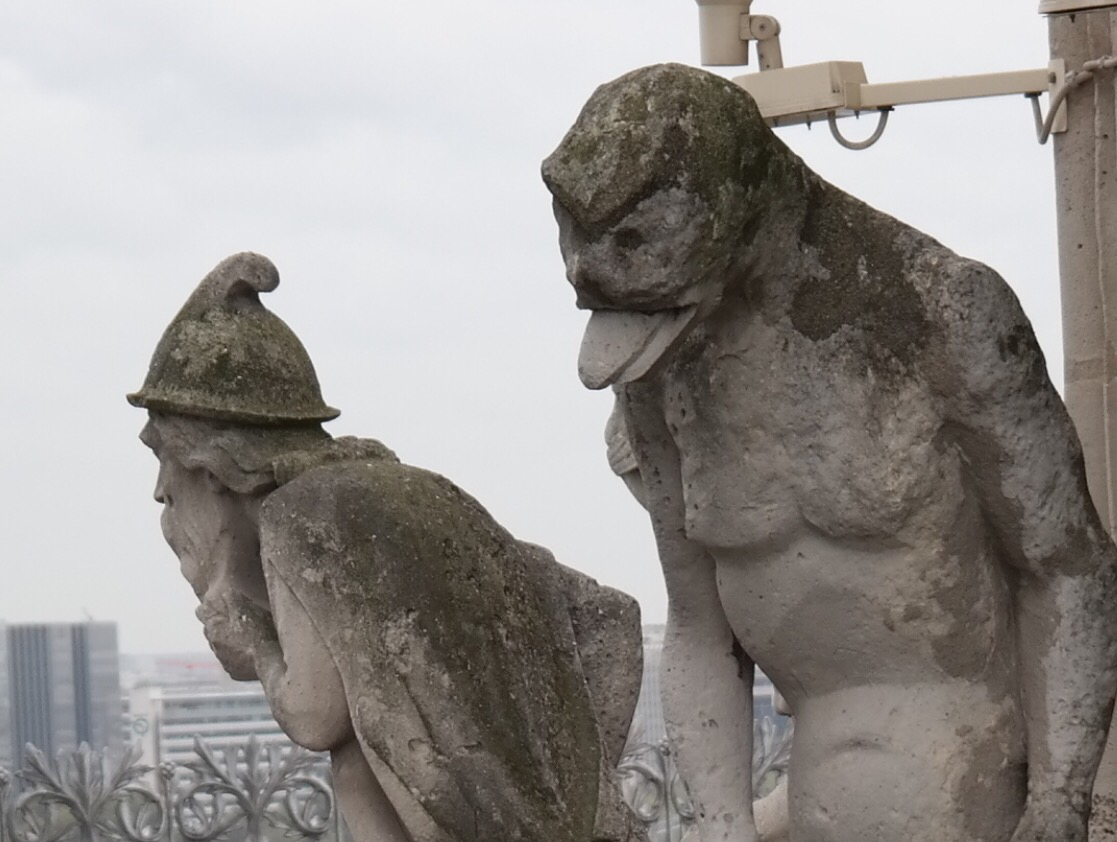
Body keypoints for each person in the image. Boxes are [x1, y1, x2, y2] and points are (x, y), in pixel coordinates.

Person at [543, 63, 1117, 842]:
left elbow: (1067, 566)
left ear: (735, 210)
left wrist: (1058, 801)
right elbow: (698, 624)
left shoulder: (939, 313)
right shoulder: (662, 358)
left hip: (967, 784)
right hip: (809, 787)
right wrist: (721, 827)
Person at [129, 251, 646, 842]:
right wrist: (580, 790)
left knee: (350, 753)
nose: (160, 490)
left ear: (208, 463)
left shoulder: (299, 516)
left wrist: (256, 646)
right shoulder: (410, 491)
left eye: (163, 458)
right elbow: (607, 618)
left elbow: (314, 714)